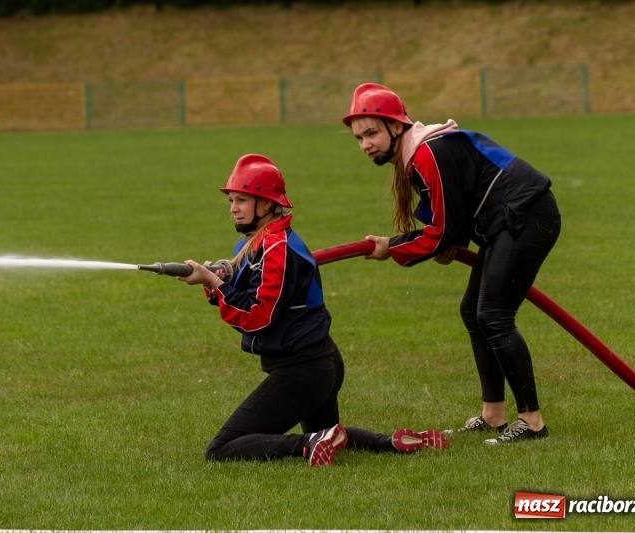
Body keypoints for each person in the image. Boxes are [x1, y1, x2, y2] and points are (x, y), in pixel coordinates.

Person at [178, 153, 448, 465]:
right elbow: (248, 292)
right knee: (331, 433)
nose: (233, 208)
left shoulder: (277, 250)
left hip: (303, 370)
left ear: (267, 205)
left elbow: (258, 316)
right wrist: (219, 281)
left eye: (242, 200)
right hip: (319, 364)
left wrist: (214, 282)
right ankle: (392, 443)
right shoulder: (258, 242)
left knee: (222, 449)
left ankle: (306, 445)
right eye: (231, 200)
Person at [342, 83, 561, 445]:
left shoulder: (428, 152)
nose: (365, 144)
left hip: (526, 217)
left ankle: (532, 422)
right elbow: (451, 219)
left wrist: (391, 247)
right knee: (472, 311)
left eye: (371, 133)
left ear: (396, 126)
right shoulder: (421, 155)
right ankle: (493, 415)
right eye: (358, 138)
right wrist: (446, 241)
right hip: (506, 222)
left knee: (493, 314)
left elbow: (442, 230)